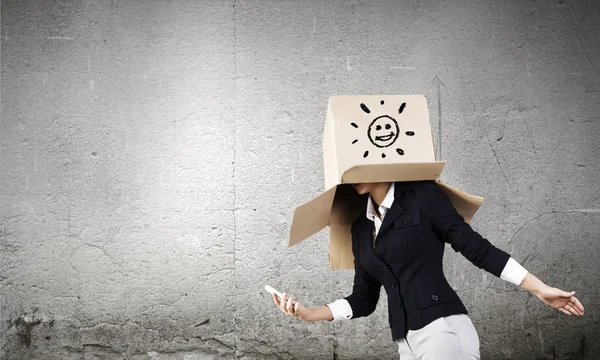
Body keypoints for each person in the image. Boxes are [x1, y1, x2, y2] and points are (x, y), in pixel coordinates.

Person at [272, 180, 585, 359]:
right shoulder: (359, 228)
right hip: (405, 342)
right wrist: (309, 313)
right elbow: (364, 299)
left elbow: (477, 249)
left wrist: (539, 287)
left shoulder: (423, 197)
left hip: (442, 328)